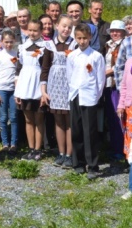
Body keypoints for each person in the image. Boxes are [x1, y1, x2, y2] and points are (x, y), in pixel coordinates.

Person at [67, 23, 106, 178]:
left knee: (89, 132)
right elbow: (69, 76)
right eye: (79, 38)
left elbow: (100, 79)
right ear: (75, 38)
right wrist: (72, 91)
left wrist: (95, 96)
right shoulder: (72, 56)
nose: (82, 41)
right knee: (76, 130)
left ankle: (93, 165)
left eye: (84, 38)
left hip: (89, 96)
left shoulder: (96, 56)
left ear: (90, 37)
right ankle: (78, 163)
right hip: (75, 95)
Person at [40, 14, 76, 168]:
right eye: (64, 26)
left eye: (69, 27)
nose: (66, 29)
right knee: (58, 122)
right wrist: (43, 90)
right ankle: (61, 153)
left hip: (69, 87)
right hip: (54, 87)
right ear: (57, 27)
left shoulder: (74, 44)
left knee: (69, 123)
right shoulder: (50, 45)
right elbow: (45, 69)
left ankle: (69, 154)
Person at [15, 19, 47, 160]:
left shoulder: (45, 47)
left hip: (38, 85)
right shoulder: (22, 47)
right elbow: (18, 69)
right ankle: (31, 149)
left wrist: (45, 91)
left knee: (39, 119)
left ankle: (38, 150)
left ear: (41, 31)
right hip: (25, 86)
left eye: (35, 30)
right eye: (30, 30)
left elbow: (46, 69)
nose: (32, 33)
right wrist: (17, 91)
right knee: (28, 119)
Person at [0, 29, 19, 155]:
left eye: (11, 42)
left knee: (13, 117)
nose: (8, 44)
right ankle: (5, 143)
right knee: (3, 117)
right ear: (1, 42)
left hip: (14, 90)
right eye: (6, 42)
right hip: (2, 89)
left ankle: (14, 144)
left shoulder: (16, 54)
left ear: (14, 41)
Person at [102, 19, 127, 160]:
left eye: (118, 31)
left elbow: (120, 65)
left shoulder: (124, 45)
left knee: (119, 117)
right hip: (108, 84)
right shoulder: (108, 45)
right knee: (111, 117)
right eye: (113, 31)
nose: (115, 33)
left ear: (123, 32)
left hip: (118, 84)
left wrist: (104, 72)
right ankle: (114, 146)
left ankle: (121, 148)